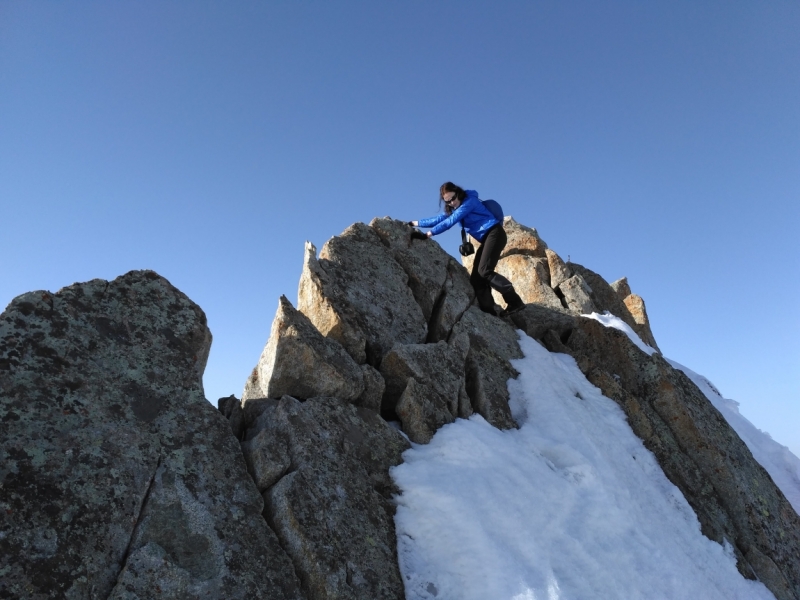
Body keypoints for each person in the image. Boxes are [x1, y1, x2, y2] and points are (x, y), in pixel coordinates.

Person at [409, 182, 525, 316]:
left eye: (453, 198)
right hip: (487, 238)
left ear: (458, 192)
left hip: (495, 234)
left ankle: (515, 301)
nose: (452, 202)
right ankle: (489, 312)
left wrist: (427, 235)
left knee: (484, 271)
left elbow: (449, 222)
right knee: (476, 278)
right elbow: (438, 219)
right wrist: (415, 223)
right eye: (448, 201)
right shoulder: (454, 208)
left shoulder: (469, 202)